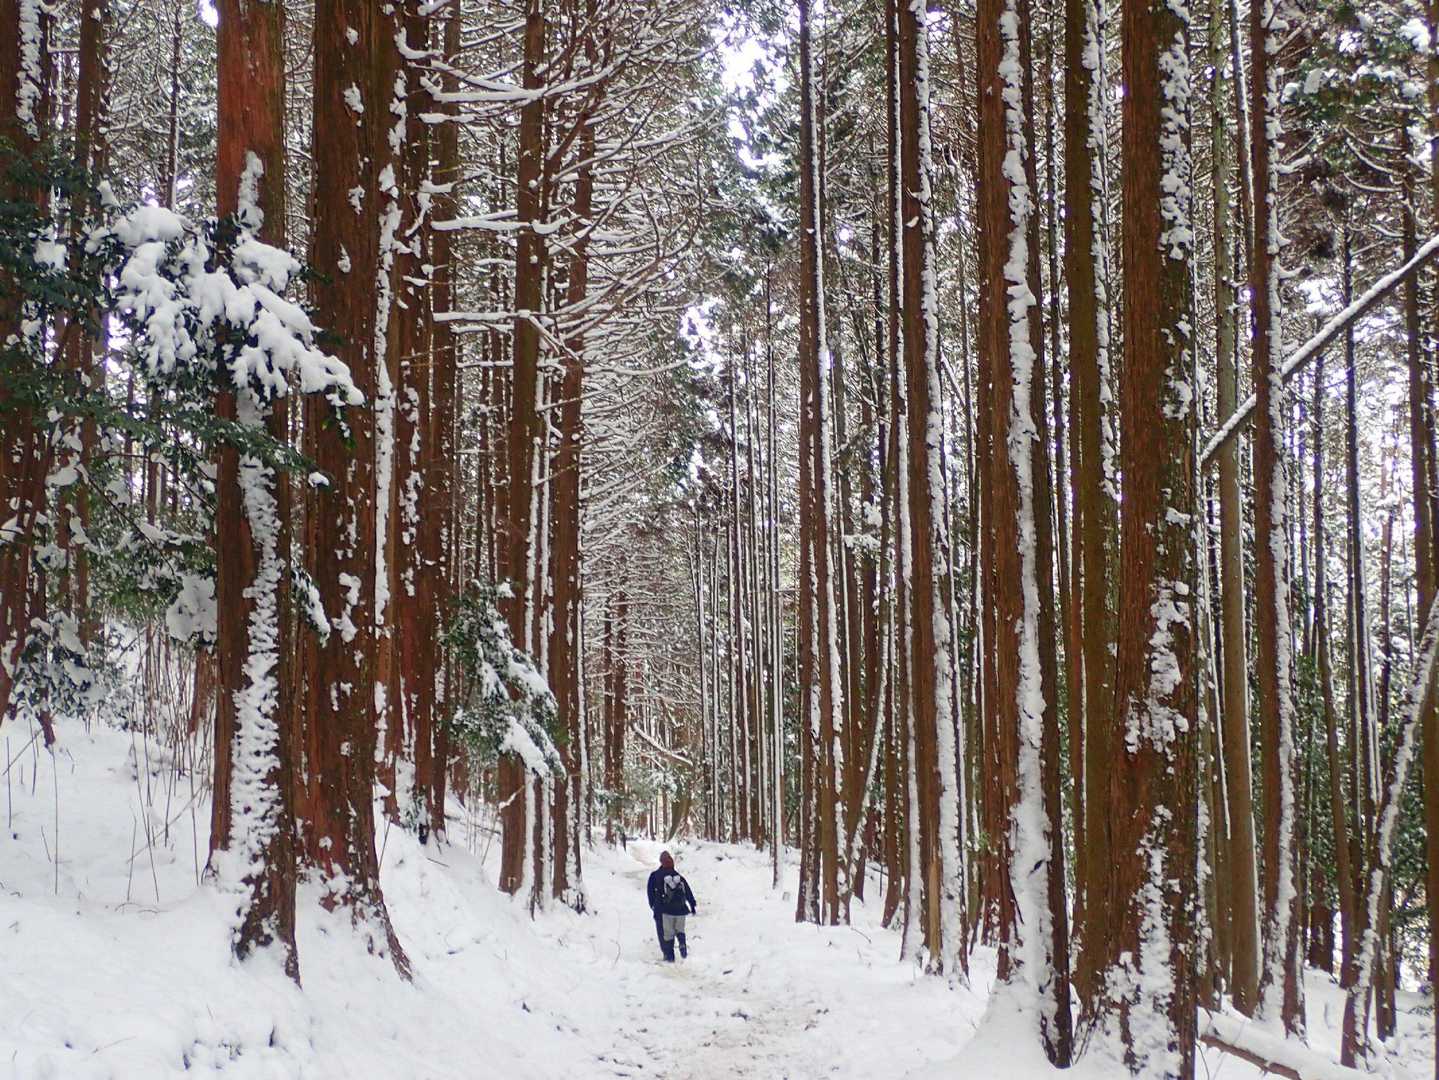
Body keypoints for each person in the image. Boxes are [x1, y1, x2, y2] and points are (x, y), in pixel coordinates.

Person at [645, 850, 697, 962]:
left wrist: (653, 905)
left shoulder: (655, 875)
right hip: (680, 910)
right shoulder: (678, 877)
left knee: (665, 934)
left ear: (661, 862)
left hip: (663, 910)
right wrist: (692, 905)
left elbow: (650, 893)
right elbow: (687, 891)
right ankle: (682, 943)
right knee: (679, 930)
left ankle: (669, 956)